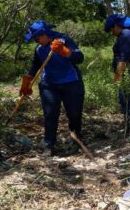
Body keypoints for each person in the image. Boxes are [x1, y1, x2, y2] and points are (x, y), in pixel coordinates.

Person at [19, 20, 85, 154]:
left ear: (44, 34)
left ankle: (76, 138)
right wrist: (27, 81)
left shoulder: (64, 40)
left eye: (37, 38)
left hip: (71, 82)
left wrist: (65, 51)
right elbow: (36, 66)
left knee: (74, 113)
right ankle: (49, 143)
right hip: (49, 84)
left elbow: (79, 58)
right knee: (50, 113)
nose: (36, 41)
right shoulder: (39, 49)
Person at [105, 14, 130, 137]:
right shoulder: (127, 34)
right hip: (129, 73)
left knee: (125, 101)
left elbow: (123, 60)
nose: (112, 33)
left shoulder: (125, 36)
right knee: (126, 100)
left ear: (116, 26)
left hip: (128, 74)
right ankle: (129, 126)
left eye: (111, 29)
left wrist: (117, 78)